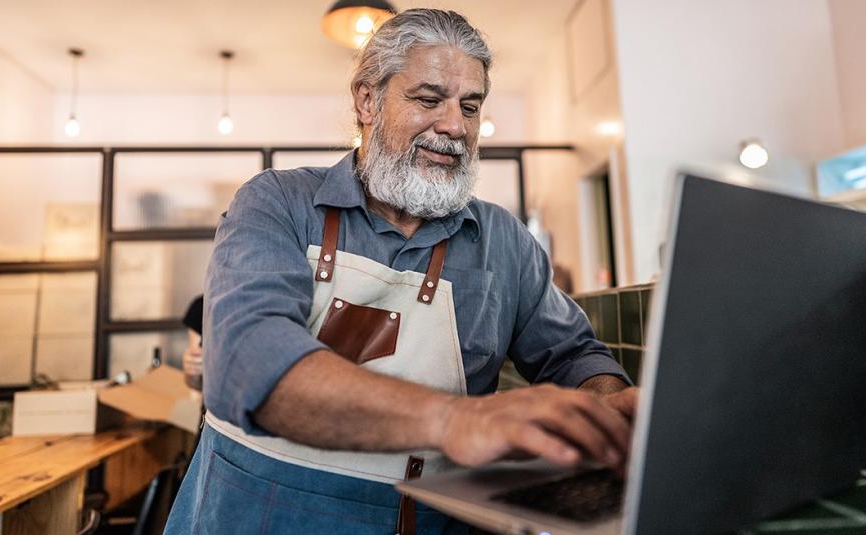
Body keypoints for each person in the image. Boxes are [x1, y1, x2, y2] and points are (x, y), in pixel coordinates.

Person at [165, 9, 638, 534]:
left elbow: (572, 355)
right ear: (367, 101)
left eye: (470, 106)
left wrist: (609, 407)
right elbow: (248, 360)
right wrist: (455, 420)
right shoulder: (278, 203)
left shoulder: (504, 241)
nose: (454, 126)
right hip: (250, 515)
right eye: (429, 99)